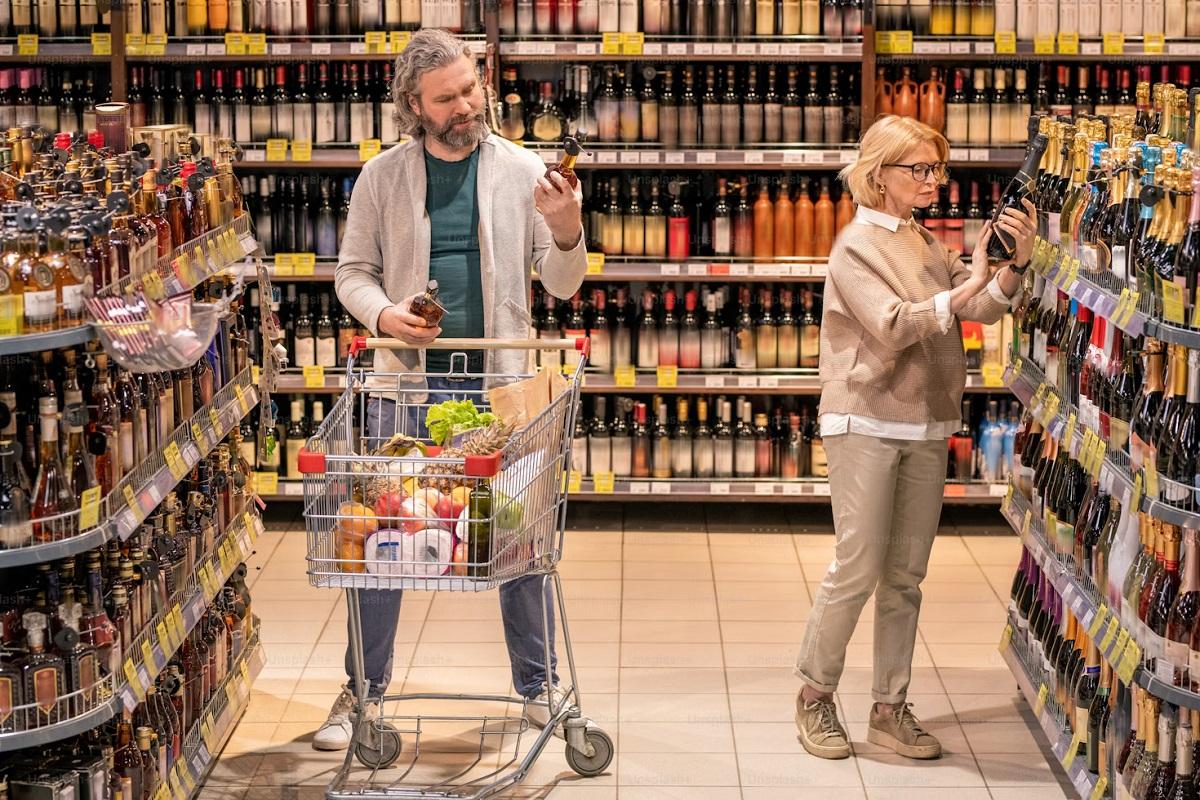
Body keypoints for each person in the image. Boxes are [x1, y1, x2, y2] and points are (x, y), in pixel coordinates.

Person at [321, 27, 587, 750]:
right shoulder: (383, 177)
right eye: (449, 98)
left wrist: (566, 231)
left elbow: (564, 286)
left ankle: (537, 688)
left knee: (518, 546)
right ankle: (362, 693)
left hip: (501, 393)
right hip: (404, 395)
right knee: (381, 547)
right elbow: (351, 272)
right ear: (415, 104)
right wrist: (384, 315)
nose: (468, 104)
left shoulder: (523, 170)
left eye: (472, 87)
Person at [792, 115, 1037, 761]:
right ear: (880, 174)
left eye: (937, 168)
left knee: (905, 576)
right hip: (866, 420)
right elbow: (895, 324)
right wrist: (968, 286)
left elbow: (977, 306)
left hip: (927, 420)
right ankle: (815, 698)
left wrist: (1010, 269)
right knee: (859, 566)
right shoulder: (855, 247)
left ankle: (889, 709)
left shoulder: (925, 242)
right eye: (920, 169)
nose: (934, 180)